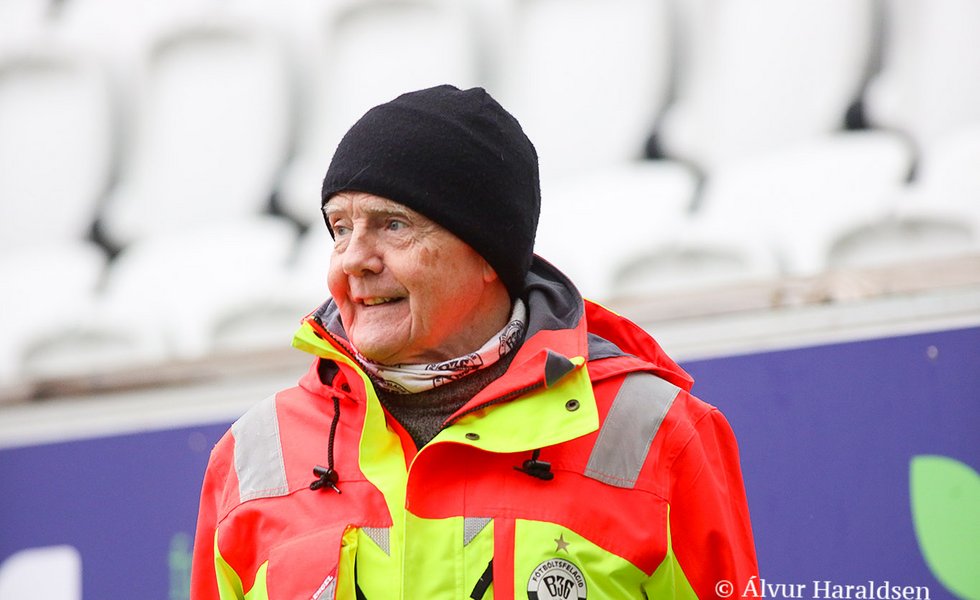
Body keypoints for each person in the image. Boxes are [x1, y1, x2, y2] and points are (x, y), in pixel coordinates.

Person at [191, 84, 758, 599]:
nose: (354, 259)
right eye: (340, 228)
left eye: (393, 224)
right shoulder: (250, 457)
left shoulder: (659, 434)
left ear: (488, 254)